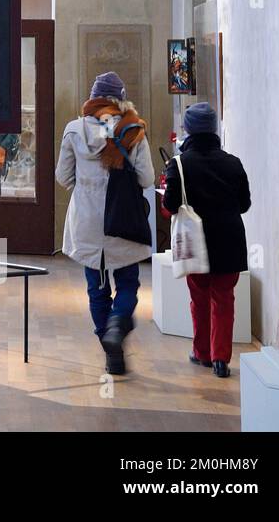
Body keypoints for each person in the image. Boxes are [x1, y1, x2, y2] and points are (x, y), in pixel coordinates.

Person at [57, 71, 154, 375]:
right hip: (122, 220)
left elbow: (63, 176)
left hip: (86, 222)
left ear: (92, 97)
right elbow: (147, 178)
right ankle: (117, 324)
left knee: (96, 289)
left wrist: (86, 189)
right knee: (127, 283)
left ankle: (111, 352)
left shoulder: (74, 130)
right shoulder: (133, 130)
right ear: (121, 100)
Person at [162, 102, 251, 378]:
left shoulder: (178, 164)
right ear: (213, 129)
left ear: (188, 130)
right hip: (229, 240)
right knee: (224, 299)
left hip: (195, 242)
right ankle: (221, 359)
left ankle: (201, 352)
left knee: (198, 298)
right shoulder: (233, 163)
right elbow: (244, 204)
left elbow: (171, 203)